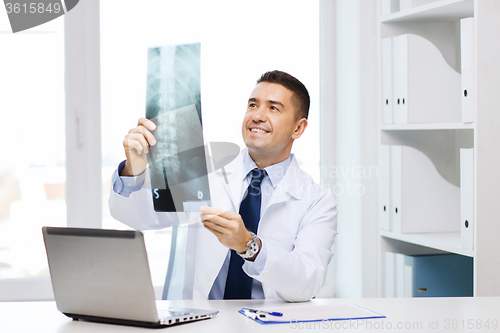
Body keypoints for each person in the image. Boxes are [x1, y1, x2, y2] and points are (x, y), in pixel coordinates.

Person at [109, 70, 338, 302]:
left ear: (298, 128)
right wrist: (133, 170)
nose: (257, 116)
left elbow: (307, 283)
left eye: (273, 108)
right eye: (252, 105)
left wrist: (249, 245)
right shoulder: (202, 170)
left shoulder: (316, 200)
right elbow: (140, 217)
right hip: (202, 322)